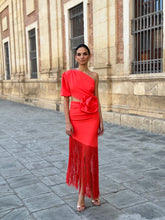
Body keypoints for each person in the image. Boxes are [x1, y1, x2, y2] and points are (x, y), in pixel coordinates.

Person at [60, 44, 104, 212]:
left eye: (85, 54)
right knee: (83, 156)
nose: (82, 56)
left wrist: (101, 120)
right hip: (76, 117)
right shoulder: (68, 75)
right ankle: (83, 194)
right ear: (75, 57)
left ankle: (90, 192)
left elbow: (97, 97)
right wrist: (67, 122)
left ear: (89, 56)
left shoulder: (95, 75)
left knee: (89, 154)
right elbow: (65, 100)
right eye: (79, 54)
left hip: (92, 117)